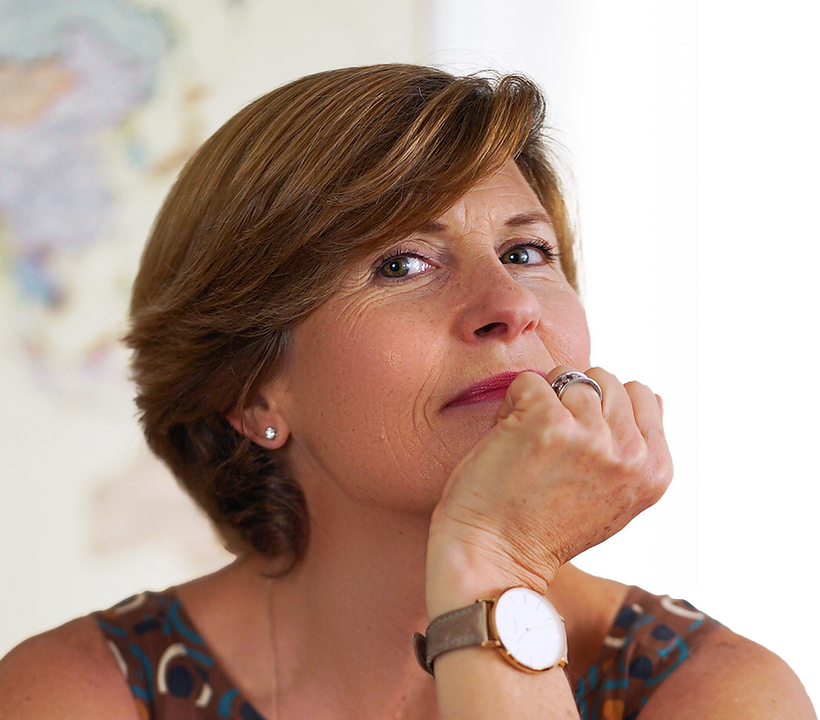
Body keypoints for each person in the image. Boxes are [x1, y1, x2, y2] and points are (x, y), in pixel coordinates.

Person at [0, 64, 813, 720]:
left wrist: (494, 571)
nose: (512, 306)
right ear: (249, 394)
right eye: (402, 264)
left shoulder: (714, 693)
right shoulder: (77, 695)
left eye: (526, 252)